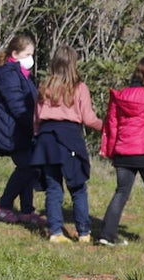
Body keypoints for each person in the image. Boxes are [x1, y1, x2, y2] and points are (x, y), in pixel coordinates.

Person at [29, 44, 103, 244]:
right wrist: (106, 127)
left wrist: (37, 137)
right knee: (78, 187)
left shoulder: (44, 86)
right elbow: (88, 118)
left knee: (54, 188)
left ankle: (55, 232)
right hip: (68, 138)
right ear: (74, 64)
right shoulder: (79, 87)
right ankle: (84, 232)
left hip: (46, 139)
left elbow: (36, 118)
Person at [98, 57, 144, 247]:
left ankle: (107, 234)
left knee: (121, 192)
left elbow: (111, 126)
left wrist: (110, 152)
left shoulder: (120, 96)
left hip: (124, 152)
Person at [0, 33, 44, 224]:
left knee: (30, 167)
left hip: (22, 131)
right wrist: (35, 123)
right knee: (27, 167)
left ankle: (27, 209)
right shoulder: (9, 75)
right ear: (15, 53)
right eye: (27, 54)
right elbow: (18, 106)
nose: (30, 59)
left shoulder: (22, 74)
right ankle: (3, 205)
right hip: (12, 131)